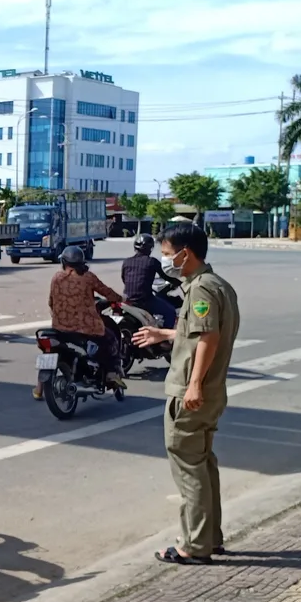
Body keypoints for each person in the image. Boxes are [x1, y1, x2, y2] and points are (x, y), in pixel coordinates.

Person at [132, 223, 240, 565]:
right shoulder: (218, 285)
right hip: (212, 391)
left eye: (166, 254)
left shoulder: (202, 290)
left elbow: (208, 338)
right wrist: (165, 333)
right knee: (203, 464)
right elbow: (199, 331)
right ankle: (210, 537)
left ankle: (194, 545)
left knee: (189, 467)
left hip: (194, 393)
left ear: (185, 253)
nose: (165, 261)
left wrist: (193, 385)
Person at [34, 245, 125, 400]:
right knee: (111, 338)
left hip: (59, 328)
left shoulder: (56, 277)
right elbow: (107, 292)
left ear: (63, 262)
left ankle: (38, 389)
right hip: (86, 329)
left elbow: (51, 301)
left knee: (48, 352)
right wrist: (119, 299)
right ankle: (111, 374)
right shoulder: (88, 277)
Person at [123, 233, 177, 327]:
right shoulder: (152, 262)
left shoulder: (127, 261)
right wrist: (179, 282)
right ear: (150, 248)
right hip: (145, 300)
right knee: (171, 312)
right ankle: (165, 339)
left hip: (127, 299)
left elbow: (124, 279)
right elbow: (166, 276)